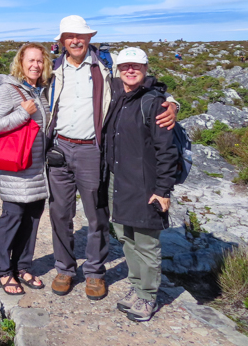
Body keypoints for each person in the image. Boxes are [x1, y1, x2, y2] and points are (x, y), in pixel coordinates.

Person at [46, 15, 178, 301]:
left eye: (80, 36)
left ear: (89, 38)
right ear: (62, 41)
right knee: (60, 213)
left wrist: (171, 102)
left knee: (96, 214)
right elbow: (28, 84)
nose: (75, 41)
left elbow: (143, 81)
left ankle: (95, 272)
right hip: (59, 149)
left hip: (92, 150)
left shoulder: (107, 64)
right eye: (69, 36)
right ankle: (64, 268)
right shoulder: (53, 68)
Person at [104, 47, 177, 322]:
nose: (130, 70)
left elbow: (166, 151)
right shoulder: (116, 94)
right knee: (126, 237)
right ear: (118, 70)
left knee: (146, 242)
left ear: (146, 69)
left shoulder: (154, 103)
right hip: (118, 180)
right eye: (125, 66)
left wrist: (162, 190)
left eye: (136, 66)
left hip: (145, 184)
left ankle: (148, 295)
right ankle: (137, 287)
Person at [0, 43, 52, 295]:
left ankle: (23, 266)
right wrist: (23, 114)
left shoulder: (40, 91)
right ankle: (4, 271)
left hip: (38, 169)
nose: (35, 65)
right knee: (12, 219)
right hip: (17, 168)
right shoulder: (7, 90)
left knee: (32, 221)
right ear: (21, 63)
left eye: (40, 61)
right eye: (31, 60)